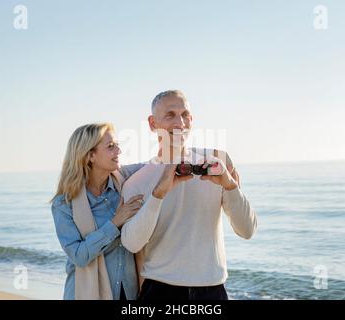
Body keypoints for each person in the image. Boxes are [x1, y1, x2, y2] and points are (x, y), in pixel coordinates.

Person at [120, 90, 258, 300]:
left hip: (213, 291)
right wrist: (158, 195)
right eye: (170, 115)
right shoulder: (137, 182)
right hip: (160, 291)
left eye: (185, 115)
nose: (180, 123)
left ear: (192, 120)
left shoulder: (216, 166)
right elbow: (132, 244)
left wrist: (230, 186)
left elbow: (247, 230)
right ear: (152, 123)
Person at [51, 123, 146, 300]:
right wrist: (115, 222)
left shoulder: (124, 178)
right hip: (84, 293)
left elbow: (157, 166)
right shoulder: (64, 204)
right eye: (111, 147)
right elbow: (79, 255)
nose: (119, 151)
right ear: (90, 156)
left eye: (117, 145)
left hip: (128, 292)